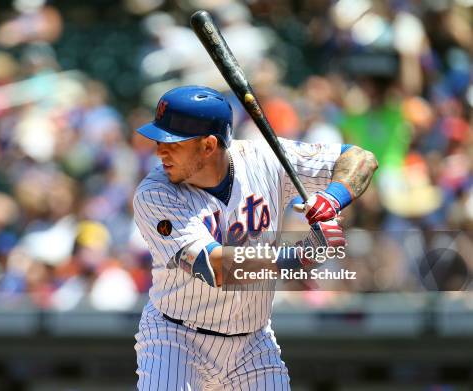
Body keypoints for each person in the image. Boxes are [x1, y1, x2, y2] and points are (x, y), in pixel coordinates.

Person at [132, 85, 378, 390]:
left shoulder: (264, 158)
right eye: (160, 141)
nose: (160, 151)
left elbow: (361, 159)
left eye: (174, 143)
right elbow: (215, 268)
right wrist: (302, 255)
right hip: (176, 339)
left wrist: (332, 198)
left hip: (252, 344)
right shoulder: (155, 193)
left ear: (208, 146)